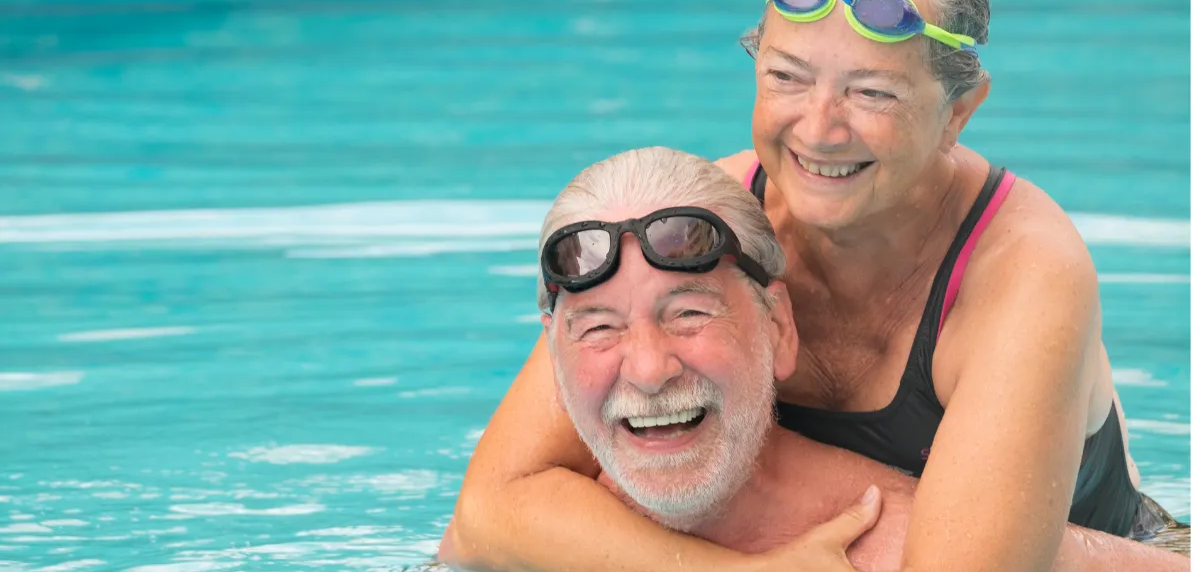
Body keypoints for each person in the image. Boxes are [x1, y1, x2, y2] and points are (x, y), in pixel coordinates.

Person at [444, 0, 1187, 572]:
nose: (820, 129)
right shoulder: (701, 226)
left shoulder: (1024, 271)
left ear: (959, 112)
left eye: (872, 92)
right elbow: (489, 513)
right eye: (787, 78)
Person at [438, 147, 1187, 572]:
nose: (647, 369)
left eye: (688, 315)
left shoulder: (868, 534)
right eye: (600, 329)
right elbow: (479, 520)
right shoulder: (548, 522)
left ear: (779, 325)